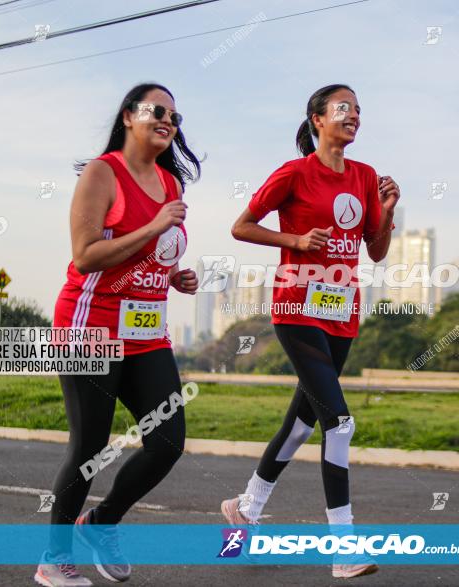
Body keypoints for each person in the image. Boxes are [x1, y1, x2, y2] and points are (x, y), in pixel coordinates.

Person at [223, 84, 400, 579]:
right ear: (317, 119)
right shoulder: (294, 173)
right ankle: (342, 548)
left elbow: (377, 250)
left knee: (302, 424)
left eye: (360, 110)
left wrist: (385, 211)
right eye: (344, 108)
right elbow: (242, 226)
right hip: (298, 308)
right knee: (339, 424)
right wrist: (294, 239)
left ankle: (246, 509)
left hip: (342, 312)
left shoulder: (365, 176)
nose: (355, 116)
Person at [36, 83, 200, 587]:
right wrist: (151, 228)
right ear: (129, 116)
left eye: (174, 114)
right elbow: (86, 255)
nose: (167, 120)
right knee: (89, 448)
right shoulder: (101, 174)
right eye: (156, 110)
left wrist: (174, 275)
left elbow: (146, 254)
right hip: (91, 326)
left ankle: (101, 523)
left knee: (167, 441)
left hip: (147, 330)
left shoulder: (171, 183)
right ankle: (54, 560)